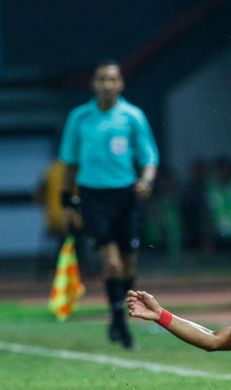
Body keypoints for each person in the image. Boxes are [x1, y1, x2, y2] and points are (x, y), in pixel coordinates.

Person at [59, 59, 159, 349]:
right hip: (92, 195)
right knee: (111, 261)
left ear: (121, 84)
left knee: (128, 264)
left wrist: (146, 181)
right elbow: (69, 161)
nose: (107, 84)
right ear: (93, 84)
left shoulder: (132, 116)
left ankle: (118, 318)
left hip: (126, 195)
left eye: (112, 79)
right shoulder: (79, 117)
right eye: (102, 79)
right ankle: (119, 323)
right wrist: (67, 200)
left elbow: (149, 157)